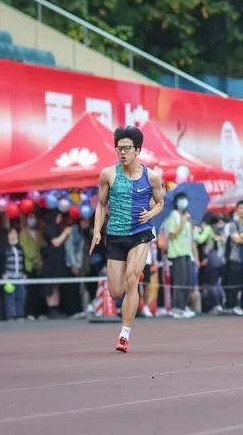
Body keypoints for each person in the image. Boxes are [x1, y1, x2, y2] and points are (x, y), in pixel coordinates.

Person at [89, 126, 166, 353]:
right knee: (115, 292)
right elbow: (101, 205)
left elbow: (160, 203)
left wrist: (150, 214)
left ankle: (124, 334)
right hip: (115, 235)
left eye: (127, 148)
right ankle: (135, 272)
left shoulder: (151, 176)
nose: (122, 153)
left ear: (138, 150)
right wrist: (96, 231)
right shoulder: (108, 174)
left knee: (132, 280)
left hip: (140, 233)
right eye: (119, 148)